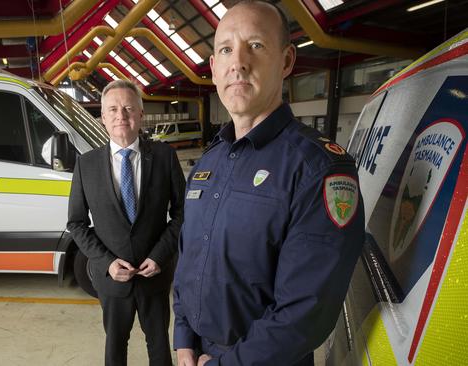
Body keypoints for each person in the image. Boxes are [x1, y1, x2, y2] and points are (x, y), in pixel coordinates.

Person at [172, 1, 365, 365]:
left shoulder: (318, 168)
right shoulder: (207, 164)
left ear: (287, 61)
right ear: (214, 69)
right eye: (226, 49)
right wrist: (184, 338)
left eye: (256, 46)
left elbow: (306, 313)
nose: (238, 62)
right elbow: (188, 262)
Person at [67, 79, 185, 366]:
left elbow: (183, 213)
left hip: (154, 276)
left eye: (129, 108)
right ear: (103, 117)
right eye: (113, 109)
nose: (121, 115)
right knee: (115, 348)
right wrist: (107, 262)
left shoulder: (164, 156)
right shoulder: (86, 164)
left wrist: (159, 256)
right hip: (112, 280)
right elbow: (77, 223)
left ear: (141, 114)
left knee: (159, 346)